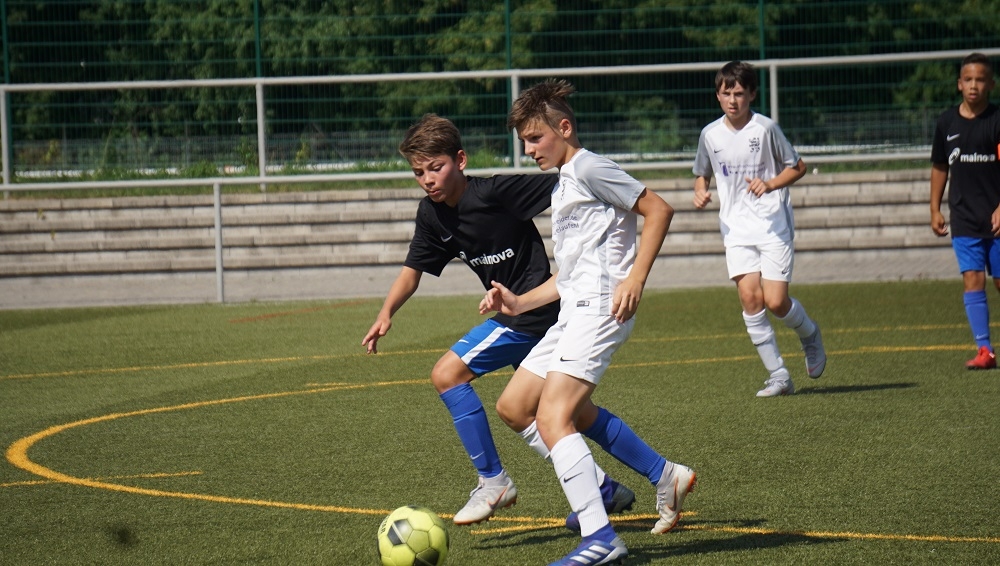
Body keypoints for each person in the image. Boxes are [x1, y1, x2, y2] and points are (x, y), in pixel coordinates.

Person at [362, 114, 679, 530]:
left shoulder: (497, 190)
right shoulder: (432, 215)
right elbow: (413, 269)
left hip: (536, 313)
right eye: (418, 172)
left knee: (447, 374)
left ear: (460, 160)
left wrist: (623, 261)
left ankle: (493, 481)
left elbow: (569, 183)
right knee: (566, 413)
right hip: (526, 309)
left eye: (435, 168)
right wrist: (386, 312)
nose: (428, 179)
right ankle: (647, 477)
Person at [481, 80, 696, 566]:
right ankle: (663, 476)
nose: (529, 150)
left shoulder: (589, 167)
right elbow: (569, 274)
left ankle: (600, 536)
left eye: (535, 138)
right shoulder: (564, 184)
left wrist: (635, 277)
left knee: (552, 417)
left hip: (600, 310)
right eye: (524, 142)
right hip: (573, 312)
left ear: (564, 128)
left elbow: (658, 209)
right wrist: (518, 302)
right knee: (515, 406)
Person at [692, 60, 827, 398]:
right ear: (717, 95)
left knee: (776, 302)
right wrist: (700, 190)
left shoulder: (765, 128)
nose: (733, 100)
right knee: (750, 298)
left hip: (772, 224)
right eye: (726, 94)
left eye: (739, 93)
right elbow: (702, 173)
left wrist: (769, 184)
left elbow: (797, 167)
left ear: (752, 94)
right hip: (735, 228)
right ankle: (779, 376)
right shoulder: (710, 134)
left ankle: (809, 334)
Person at [930, 52, 1000, 370]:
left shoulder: (997, 121)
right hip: (964, 217)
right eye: (968, 79)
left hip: (996, 218)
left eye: (980, 80)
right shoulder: (946, 123)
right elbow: (940, 167)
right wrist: (934, 208)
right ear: (959, 84)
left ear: (991, 85)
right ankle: (985, 350)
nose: (974, 85)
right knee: (973, 278)